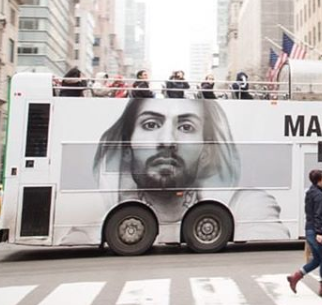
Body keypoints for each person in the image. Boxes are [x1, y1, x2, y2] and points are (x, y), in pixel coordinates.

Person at [93, 97, 289, 238]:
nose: (168, 141)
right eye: (151, 125)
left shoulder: (246, 205)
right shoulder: (94, 221)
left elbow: (266, 231)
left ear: (206, 152)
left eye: (186, 127)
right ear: (126, 148)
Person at [287, 169, 322, 297]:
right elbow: (318, 215)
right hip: (318, 231)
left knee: (317, 260)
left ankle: (295, 276)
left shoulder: (310, 193)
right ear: (319, 180)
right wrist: (319, 232)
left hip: (309, 230)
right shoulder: (319, 196)